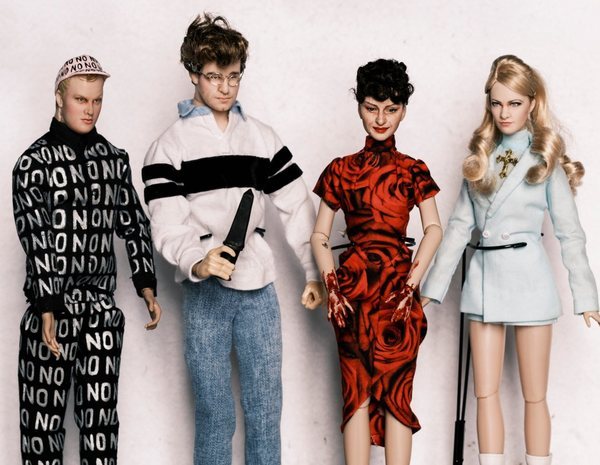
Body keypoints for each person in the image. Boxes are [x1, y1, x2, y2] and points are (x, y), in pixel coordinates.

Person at [142, 13, 323, 465]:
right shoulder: (169, 146)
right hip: (206, 293)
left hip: (259, 288)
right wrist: (197, 259)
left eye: (233, 76)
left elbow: (297, 207)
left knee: (266, 409)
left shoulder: (262, 138)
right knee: (214, 413)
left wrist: (313, 271)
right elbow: (167, 222)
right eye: (214, 76)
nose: (225, 87)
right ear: (193, 74)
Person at [421, 54, 600, 465]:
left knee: (535, 394)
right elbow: (458, 228)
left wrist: (586, 295)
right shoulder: (480, 159)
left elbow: (570, 232)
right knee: (484, 392)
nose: (504, 113)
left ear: (532, 104)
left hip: (530, 281)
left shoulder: (545, 160)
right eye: (497, 103)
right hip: (485, 280)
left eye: (514, 103)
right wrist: (431, 289)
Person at [12, 54, 162, 465]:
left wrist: (146, 284)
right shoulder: (32, 164)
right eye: (81, 99)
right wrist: (47, 305)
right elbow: (35, 237)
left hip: (100, 312)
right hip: (50, 311)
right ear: (59, 98)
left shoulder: (113, 160)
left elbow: (133, 223)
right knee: (41, 428)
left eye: (97, 100)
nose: (90, 109)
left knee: (100, 428)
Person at [311, 58, 443, 465]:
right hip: (351, 292)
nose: (381, 119)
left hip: (398, 292)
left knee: (398, 391)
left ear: (403, 110)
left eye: (391, 109)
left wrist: (411, 285)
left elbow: (434, 229)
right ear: (359, 107)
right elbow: (318, 236)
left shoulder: (413, 170)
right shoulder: (340, 170)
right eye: (372, 108)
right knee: (356, 391)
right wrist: (332, 286)